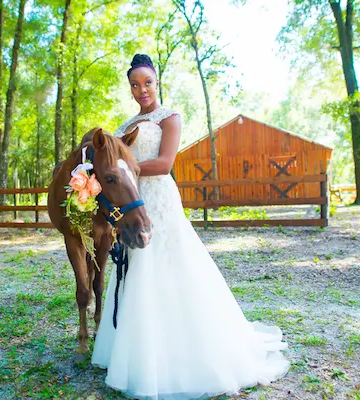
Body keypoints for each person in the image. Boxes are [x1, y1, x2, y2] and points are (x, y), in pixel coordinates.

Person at [91, 54, 289, 400]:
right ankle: (137, 351)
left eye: (147, 82)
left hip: (160, 200)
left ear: (157, 82)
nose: (142, 90)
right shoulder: (123, 127)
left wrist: (125, 171)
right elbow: (111, 163)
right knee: (136, 268)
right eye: (135, 85)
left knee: (169, 264)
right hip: (131, 200)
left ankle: (183, 351)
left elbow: (165, 163)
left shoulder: (170, 118)